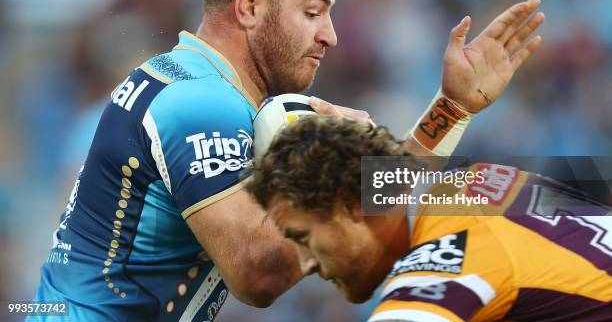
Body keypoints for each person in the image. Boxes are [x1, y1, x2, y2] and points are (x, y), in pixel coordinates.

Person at [30, 0, 544, 321]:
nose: (331, 36)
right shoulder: (198, 104)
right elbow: (258, 273)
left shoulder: (196, 85)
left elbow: (361, 222)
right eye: (314, 11)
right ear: (251, 5)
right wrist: (353, 179)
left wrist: (448, 111)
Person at [246, 115, 612, 321]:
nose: (305, 263)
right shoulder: (477, 183)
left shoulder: (444, 259)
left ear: (351, 205)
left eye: (303, 237)